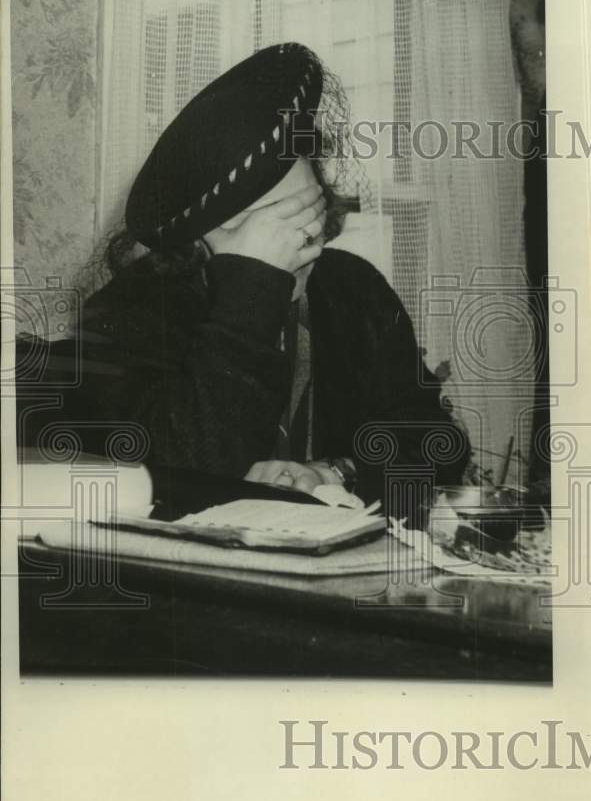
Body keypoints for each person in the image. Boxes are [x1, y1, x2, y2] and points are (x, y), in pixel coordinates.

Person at [61, 42, 469, 519]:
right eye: (264, 229)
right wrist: (250, 289)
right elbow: (178, 477)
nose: (301, 244)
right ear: (196, 244)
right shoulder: (130, 311)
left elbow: (439, 446)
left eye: (307, 213)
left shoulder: (353, 289)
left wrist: (337, 471)